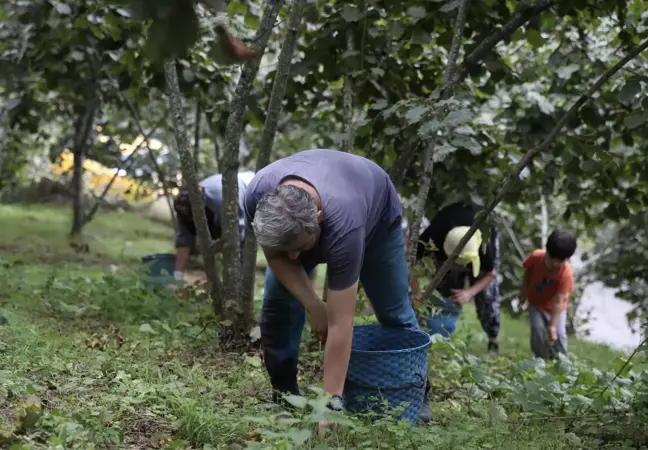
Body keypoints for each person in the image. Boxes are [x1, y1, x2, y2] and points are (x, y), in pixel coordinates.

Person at [244, 149, 431, 424]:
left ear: (318, 218)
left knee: (393, 311)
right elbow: (276, 255)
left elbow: (341, 322)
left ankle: (418, 390)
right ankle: (283, 394)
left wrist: (330, 402)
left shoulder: (345, 224)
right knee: (277, 305)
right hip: (321, 208)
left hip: (375, 215)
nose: (295, 259)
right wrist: (313, 304)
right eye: (289, 251)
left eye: (300, 249)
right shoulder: (259, 197)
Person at [411, 201, 501, 354]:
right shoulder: (434, 235)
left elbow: (491, 273)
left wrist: (470, 292)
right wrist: (417, 294)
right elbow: (412, 264)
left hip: (477, 243)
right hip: (445, 248)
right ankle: (432, 335)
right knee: (444, 292)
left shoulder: (485, 243)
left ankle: (493, 339)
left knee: (487, 298)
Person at [172, 173, 248, 282]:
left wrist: (221, 245)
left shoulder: (224, 202)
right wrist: (177, 277)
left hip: (248, 191)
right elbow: (183, 242)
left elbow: (238, 235)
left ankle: (238, 289)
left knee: (239, 253)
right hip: (217, 211)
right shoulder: (183, 207)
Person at [520, 230, 577, 359]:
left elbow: (558, 301)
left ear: (567, 259)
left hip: (556, 308)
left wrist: (552, 326)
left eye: (560, 261)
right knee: (537, 331)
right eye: (552, 260)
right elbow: (526, 274)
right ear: (547, 252)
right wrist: (523, 293)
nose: (556, 264)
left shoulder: (566, 273)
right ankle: (540, 359)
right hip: (536, 303)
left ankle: (563, 362)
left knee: (559, 334)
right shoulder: (536, 257)